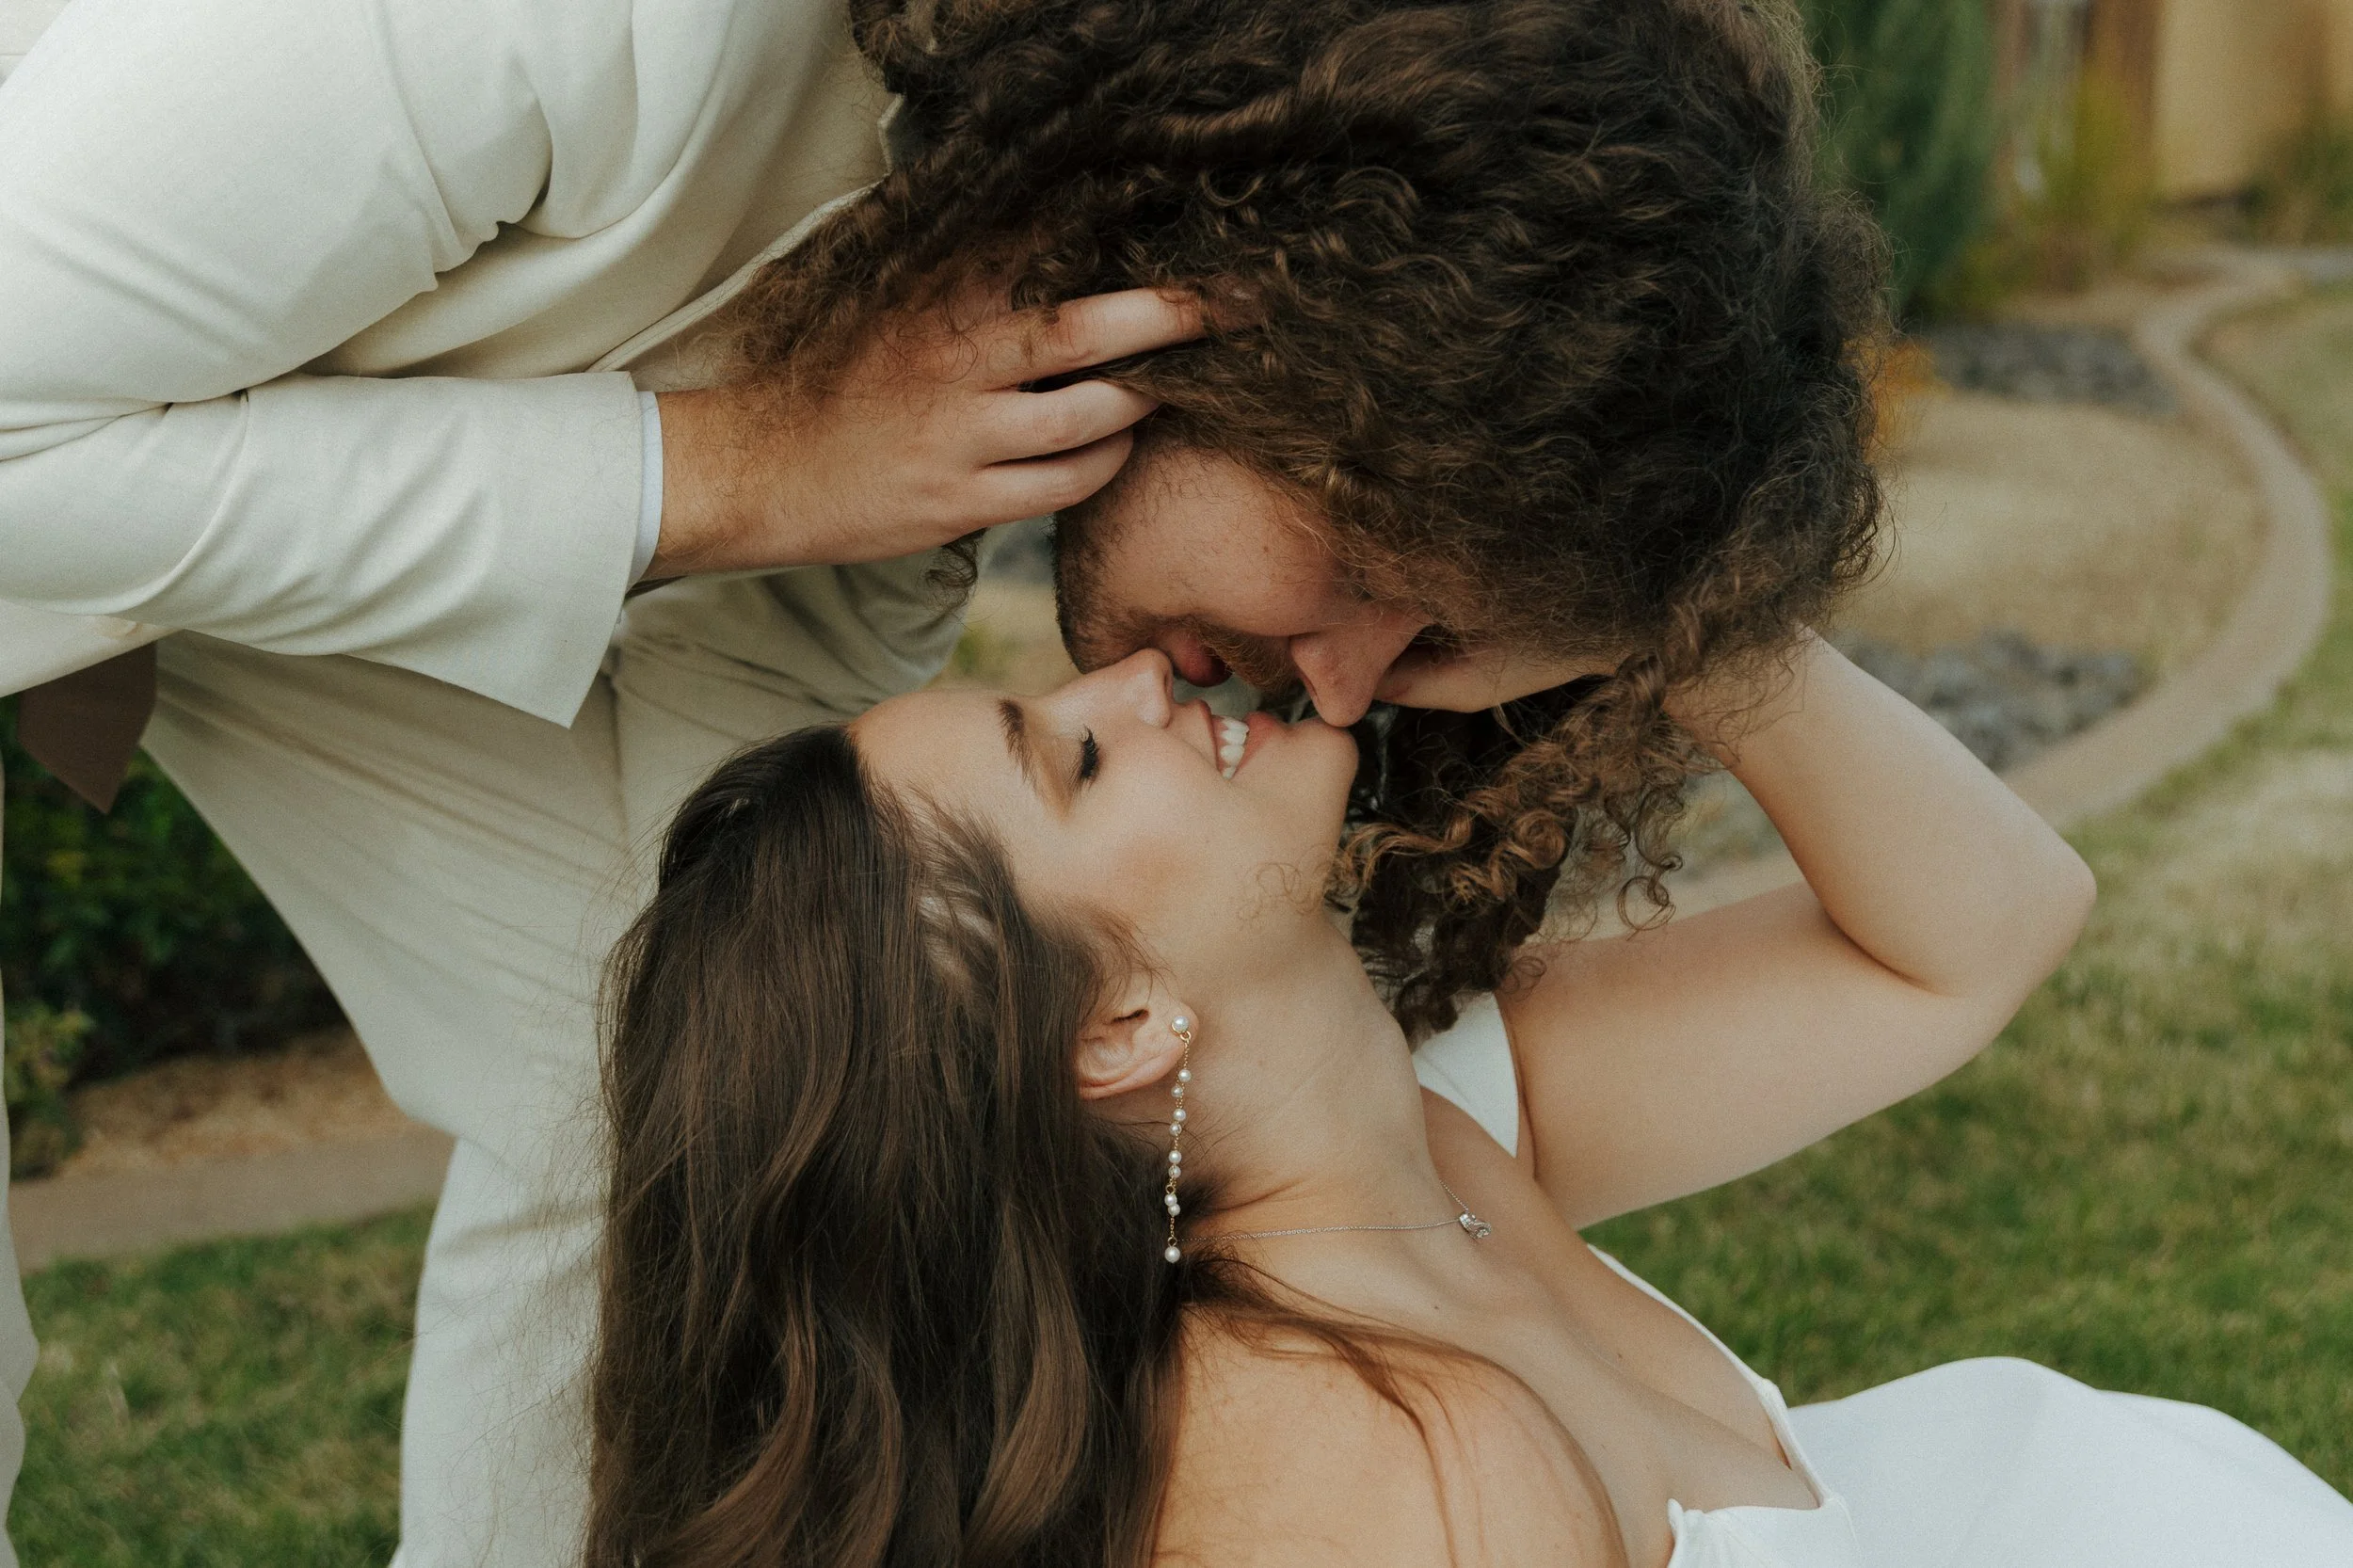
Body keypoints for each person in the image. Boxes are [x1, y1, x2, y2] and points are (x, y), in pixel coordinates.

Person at [0, 0, 1877, 1559]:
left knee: (639, 1040)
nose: (1340, 688)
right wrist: (726, 465)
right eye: (1371, 583)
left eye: (1430, 656)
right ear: (1319, 345)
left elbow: (710, 944)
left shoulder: (1032, 307)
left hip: (162, 479)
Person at [591, 638, 2353, 1567]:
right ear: (1116, 1021)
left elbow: (1983, 929)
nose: (1134, 680)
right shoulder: (1346, 1477)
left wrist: (1671, 609)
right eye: (1072, 752)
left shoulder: (1437, 1131)